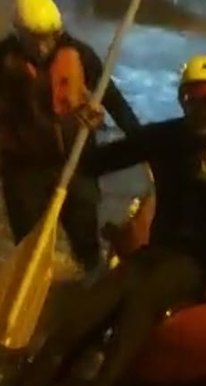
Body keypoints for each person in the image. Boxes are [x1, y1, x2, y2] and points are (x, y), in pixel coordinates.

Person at [6, 54, 206, 386]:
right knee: (93, 306)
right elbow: (95, 163)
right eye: (197, 100)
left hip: (201, 262)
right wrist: (83, 127)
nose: (205, 110)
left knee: (142, 300)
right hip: (158, 251)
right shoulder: (165, 137)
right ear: (183, 100)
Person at [0, 0, 141, 273]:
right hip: (25, 168)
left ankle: (90, 284)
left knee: (85, 238)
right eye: (34, 40)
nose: (42, 47)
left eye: (48, 39)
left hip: (76, 162)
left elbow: (113, 100)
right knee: (28, 246)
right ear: (19, 33)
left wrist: (140, 141)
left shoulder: (80, 56)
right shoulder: (4, 61)